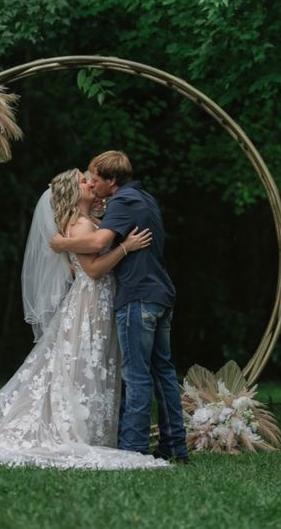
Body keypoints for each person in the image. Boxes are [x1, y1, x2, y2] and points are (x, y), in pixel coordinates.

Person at [0, 169, 169, 470]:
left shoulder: (86, 223)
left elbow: (78, 266)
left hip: (94, 301)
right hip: (90, 304)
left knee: (92, 363)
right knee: (87, 362)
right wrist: (126, 248)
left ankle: (96, 430)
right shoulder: (81, 223)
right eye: (83, 182)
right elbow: (93, 270)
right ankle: (85, 431)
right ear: (72, 193)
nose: (90, 184)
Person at [50, 152, 189, 463]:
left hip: (139, 297)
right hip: (159, 294)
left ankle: (133, 449)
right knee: (163, 372)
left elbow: (98, 244)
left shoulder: (122, 202)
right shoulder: (143, 197)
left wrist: (62, 244)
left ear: (112, 181)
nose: (91, 184)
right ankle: (175, 448)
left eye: (95, 179)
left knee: (136, 375)